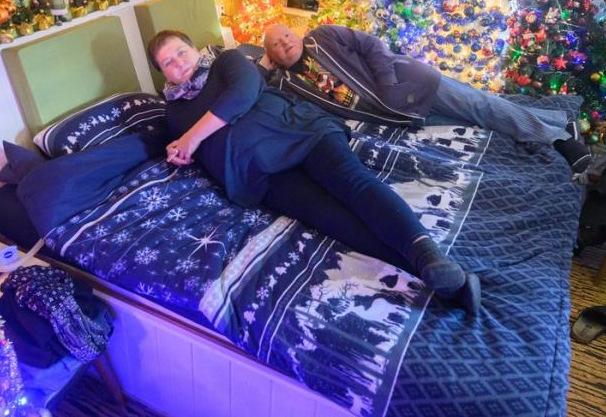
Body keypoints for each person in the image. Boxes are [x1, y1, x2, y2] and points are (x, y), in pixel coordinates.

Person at [147, 30, 480, 310]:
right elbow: (192, 150)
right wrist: (183, 151)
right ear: (163, 74)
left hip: (300, 130)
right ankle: (439, 277)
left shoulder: (227, 62)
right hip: (259, 172)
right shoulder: (173, 112)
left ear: (195, 49)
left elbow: (242, 93)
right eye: (168, 62)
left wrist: (192, 137)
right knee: (331, 218)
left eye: (181, 52)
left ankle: (428, 254)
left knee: (354, 184)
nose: (179, 63)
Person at [259, 23, 591, 175]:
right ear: (272, 55)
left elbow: (373, 46)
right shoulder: (288, 83)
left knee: (480, 105)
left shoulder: (323, 36)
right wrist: (261, 67)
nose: (286, 42)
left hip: (411, 84)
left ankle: (559, 139)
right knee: (476, 124)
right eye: (276, 44)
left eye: (286, 34)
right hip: (401, 117)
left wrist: (388, 85)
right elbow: (250, 88)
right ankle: (560, 122)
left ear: (295, 32)